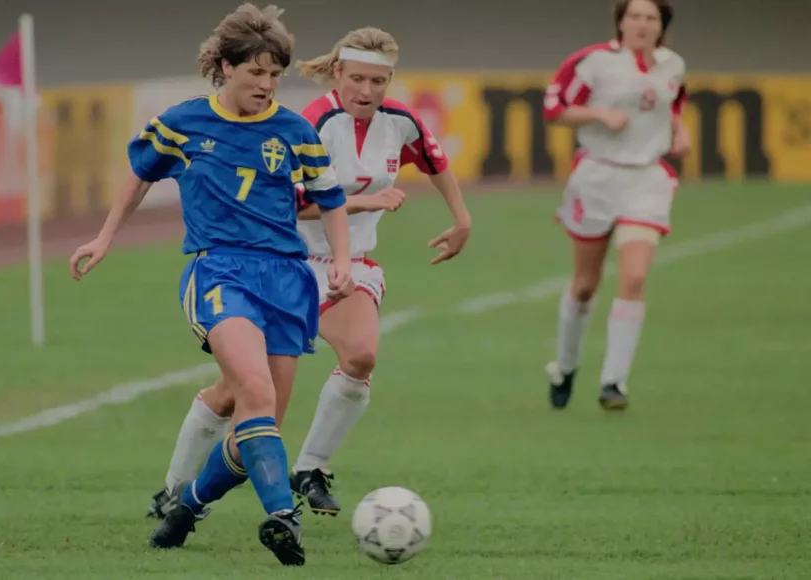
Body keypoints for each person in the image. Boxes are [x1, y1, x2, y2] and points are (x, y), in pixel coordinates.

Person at [146, 27, 472, 523]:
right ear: (337, 73)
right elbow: (289, 206)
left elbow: (435, 160)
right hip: (290, 265)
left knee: (361, 356)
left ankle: (310, 469)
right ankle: (176, 490)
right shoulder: (308, 123)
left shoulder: (400, 123)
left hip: (350, 263)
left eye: (379, 81)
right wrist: (363, 200)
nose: (367, 91)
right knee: (244, 396)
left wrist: (461, 219)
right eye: (358, 78)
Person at [69, 4, 354, 567]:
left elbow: (330, 198)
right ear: (226, 67)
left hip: (288, 278)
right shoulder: (184, 123)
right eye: (256, 73)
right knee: (254, 388)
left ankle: (186, 508)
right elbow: (140, 173)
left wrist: (340, 260)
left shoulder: (295, 130)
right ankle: (282, 517)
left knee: (259, 423)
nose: (267, 85)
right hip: (220, 270)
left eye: (275, 75)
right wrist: (103, 239)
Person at [542, 0, 688, 411]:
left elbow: (672, 106)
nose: (642, 24)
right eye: (635, 16)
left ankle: (614, 383)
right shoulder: (592, 63)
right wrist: (599, 114)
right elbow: (554, 110)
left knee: (635, 278)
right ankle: (566, 366)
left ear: (662, 26)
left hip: (646, 180)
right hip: (597, 178)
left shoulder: (672, 64)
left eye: (651, 18)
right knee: (585, 285)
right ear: (621, 22)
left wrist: (680, 132)